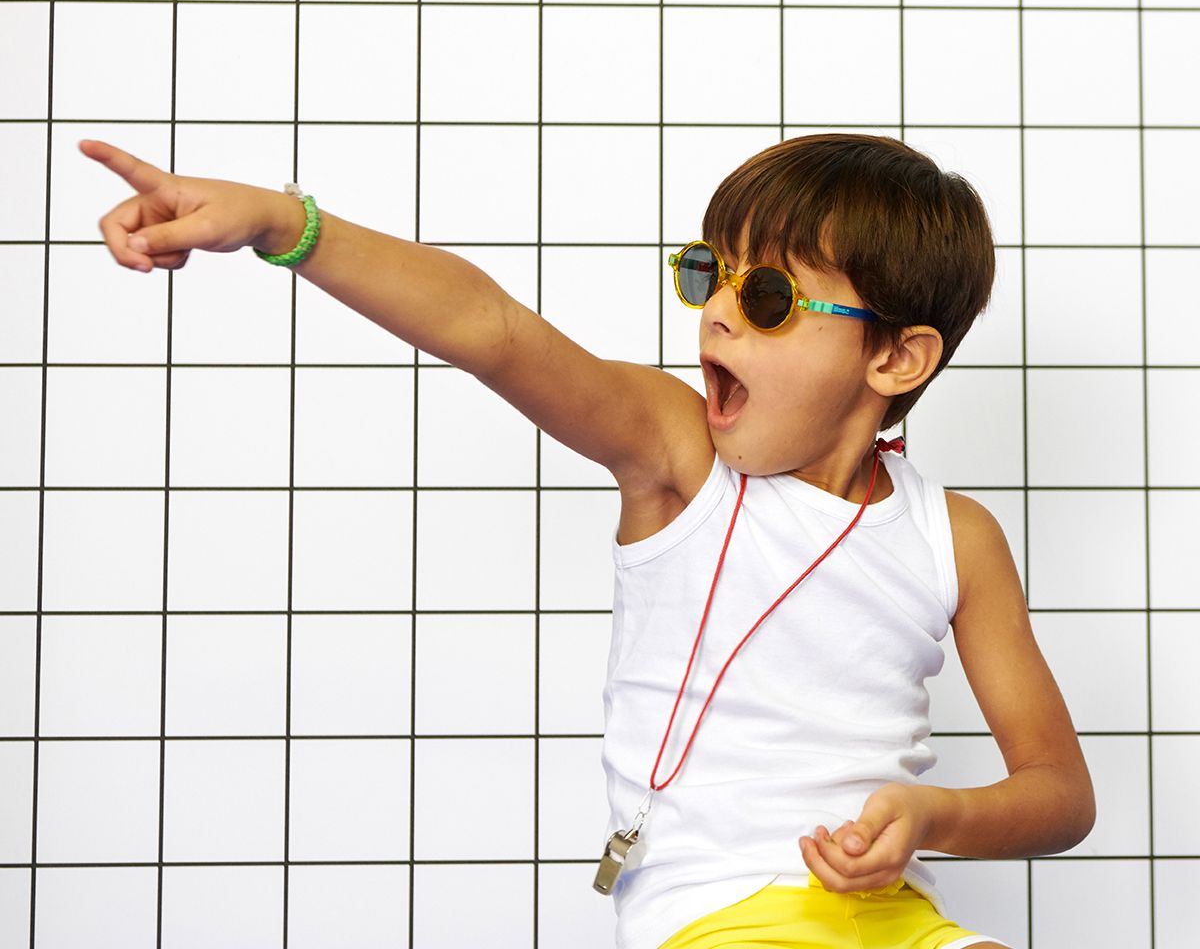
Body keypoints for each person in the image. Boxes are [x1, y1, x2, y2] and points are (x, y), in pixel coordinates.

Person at [82, 132, 1094, 949]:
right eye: (710, 275)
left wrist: (932, 817)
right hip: (718, 917)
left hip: (900, 920)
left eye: (769, 297)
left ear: (896, 358)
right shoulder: (681, 456)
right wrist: (283, 224)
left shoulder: (952, 535)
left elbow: (1059, 795)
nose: (720, 315)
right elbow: (492, 330)